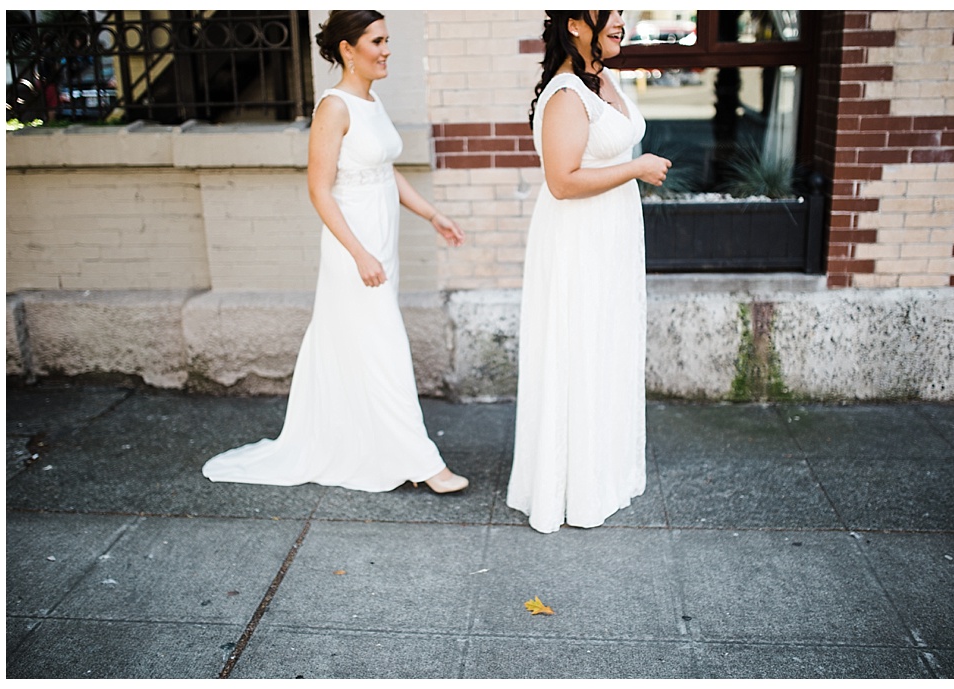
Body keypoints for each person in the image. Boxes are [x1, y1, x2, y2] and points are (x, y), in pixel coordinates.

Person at [202, 10, 469, 494]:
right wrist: (359, 254)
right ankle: (423, 462)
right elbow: (320, 190)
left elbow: (385, 170)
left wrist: (432, 214)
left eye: (387, 40)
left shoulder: (372, 101)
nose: (387, 50)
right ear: (348, 49)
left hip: (381, 247)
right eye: (377, 41)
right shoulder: (335, 108)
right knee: (385, 347)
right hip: (355, 250)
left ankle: (362, 443)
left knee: (362, 347)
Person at [506, 10, 671, 533]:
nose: (621, 20)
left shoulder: (603, 78)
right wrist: (638, 168)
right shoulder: (565, 95)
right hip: (578, 238)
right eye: (610, 11)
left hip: (611, 235)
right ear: (576, 24)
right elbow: (563, 180)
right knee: (579, 348)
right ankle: (569, 488)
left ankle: (601, 474)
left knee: (607, 347)